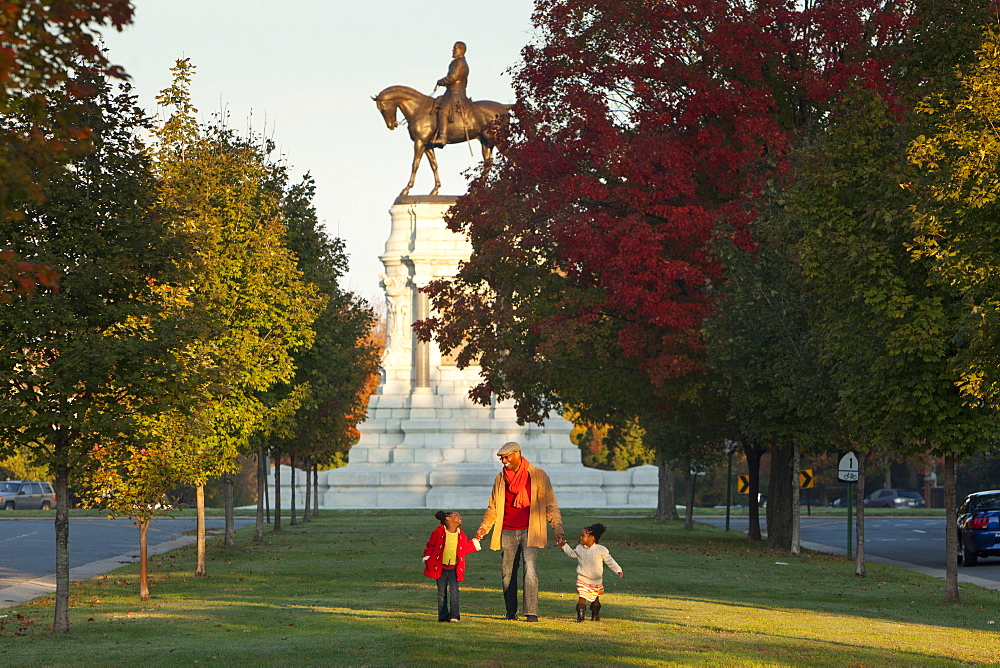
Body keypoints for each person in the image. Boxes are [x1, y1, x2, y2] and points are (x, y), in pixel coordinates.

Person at [473, 441, 564, 622]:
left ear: (516, 454)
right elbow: (493, 508)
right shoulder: (500, 479)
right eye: (501, 458)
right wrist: (484, 528)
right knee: (508, 573)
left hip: (531, 530)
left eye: (506, 457)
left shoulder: (538, 475)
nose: (503, 461)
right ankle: (510, 612)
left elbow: (551, 505)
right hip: (507, 530)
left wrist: (558, 529)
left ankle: (531, 613)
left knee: (530, 568)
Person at [423, 510, 481, 622]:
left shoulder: (461, 535)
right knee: (441, 592)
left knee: (454, 591)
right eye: (457, 516)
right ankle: (443, 617)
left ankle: (454, 615)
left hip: (454, 568)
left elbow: (464, 549)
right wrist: (428, 558)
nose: (460, 518)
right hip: (440, 568)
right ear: (448, 518)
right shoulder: (438, 533)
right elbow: (430, 546)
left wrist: (476, 541)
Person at [561, 523, 623, 622]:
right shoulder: (579, 548)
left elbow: (609, 560)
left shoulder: (600, 550)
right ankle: (580, 616)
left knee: (595, 599)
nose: (580, 538)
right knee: (582, 596)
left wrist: (617, 569)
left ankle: (595, 615)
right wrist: (564, 545)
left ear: (592, 538)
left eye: (583, 536)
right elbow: (571, 553)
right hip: (583, 579)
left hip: (596, 581)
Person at [430, 41, 470, 148]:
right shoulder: (461, 62)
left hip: (454, 93)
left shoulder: (459, 62)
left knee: (443, 110)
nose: (453, 50)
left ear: (461, 50)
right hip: (455, 91)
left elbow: (452, 77)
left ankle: (443, 136)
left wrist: (441, 81)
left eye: (455, 48)